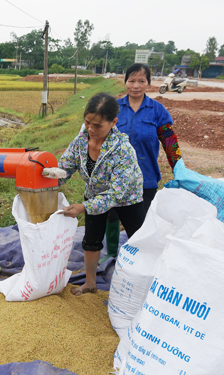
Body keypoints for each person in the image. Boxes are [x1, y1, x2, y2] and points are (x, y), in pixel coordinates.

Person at [45, 92, 146, 296]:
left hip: (127, 197)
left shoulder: (122, 149)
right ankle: (90, 283)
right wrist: (45, 182)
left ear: (113, 122)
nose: (90, 129)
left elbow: (116, 194)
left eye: (97, 126)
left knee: (138, 240)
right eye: (87, 122)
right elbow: (65, 167)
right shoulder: (82, 139)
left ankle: (141, 284)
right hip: (95, 194)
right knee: (91, 240)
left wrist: (83, 207)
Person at [101, 64, 183, 259]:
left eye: (141, 81)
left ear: (148, 83)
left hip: (145, 177)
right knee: (111, 214)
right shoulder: (113, 108)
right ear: (125, 82)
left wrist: (178, 167)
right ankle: (111, 253)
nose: (135, 85)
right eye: (131, 81)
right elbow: (98, 137)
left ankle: (137, 257)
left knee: (141, 220)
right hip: (113, 176)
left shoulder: (157, 110)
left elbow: (169, 140)